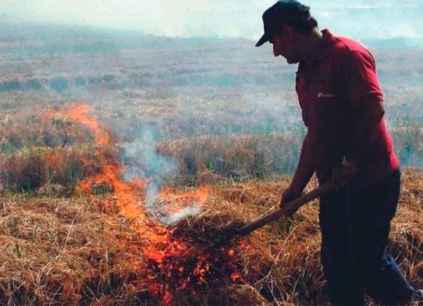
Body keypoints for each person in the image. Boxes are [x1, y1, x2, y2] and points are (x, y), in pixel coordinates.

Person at [255, 1, 423, 305]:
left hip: (373, 181)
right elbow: (316, 136)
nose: (276, 51)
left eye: (274, 42)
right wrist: (296, 187)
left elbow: (374, 109)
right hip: (334, 184)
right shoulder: (305, 73)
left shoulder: (348, 55)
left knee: (367, 262)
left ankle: (405, 301)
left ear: (288, 32)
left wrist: (353, 161)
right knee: (337, 267)